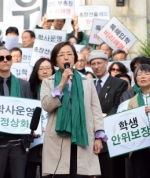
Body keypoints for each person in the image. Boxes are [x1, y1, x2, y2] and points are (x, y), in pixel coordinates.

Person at [40, 41, 106, 177]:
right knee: (60, 173)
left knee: (80, 173)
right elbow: (47, 105)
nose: (66, 58)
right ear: (55, 60)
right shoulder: (48, 82)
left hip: (82, 138)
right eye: (61, 55)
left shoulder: (87, 82)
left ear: (74, 58)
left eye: (70, 54)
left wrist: (99, 136)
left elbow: (96, 110)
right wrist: (62, 83)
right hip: (58, 139)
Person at [0, 46, 32, 178]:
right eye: (1, 58)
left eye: (8, 57)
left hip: (19, 140)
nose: (5, 60)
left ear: (12, 61)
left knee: (18, 175)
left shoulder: (24, 85)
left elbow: (30, 111)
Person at [89, 50, 128, 178]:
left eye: (99, 63)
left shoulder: (119, 83)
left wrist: (100, 125)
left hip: (110, 135)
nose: (96, 66)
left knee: (111, 172)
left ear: (106, 63)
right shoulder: (88, 84)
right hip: (90, 135)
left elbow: (117, 107)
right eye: (93, 63)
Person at [26, 58, 56, 178]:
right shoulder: (28, 89)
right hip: (32, 139)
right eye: (41, 69)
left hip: (52, 137)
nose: (45, 71)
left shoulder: (59, 89)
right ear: (35, 71)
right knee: (29, 171)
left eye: (48, 68)